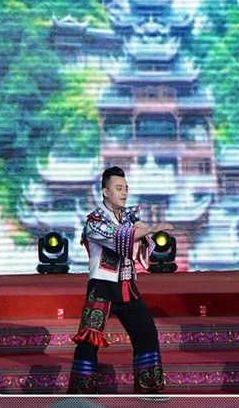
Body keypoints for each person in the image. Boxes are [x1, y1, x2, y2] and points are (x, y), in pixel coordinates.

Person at [67, 166, 173, 394]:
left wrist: (145, 235)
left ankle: (149, 389)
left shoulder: (129, 217)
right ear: (105, 192)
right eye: (118, 188)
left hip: (127, 286)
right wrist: (148, 230)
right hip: (101, 288)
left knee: (146, 332)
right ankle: (80, 391)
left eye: (126, 188)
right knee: (89, 339)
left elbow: (140, 250)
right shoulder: (95, 221)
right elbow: (118, 239)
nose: (124, 192)